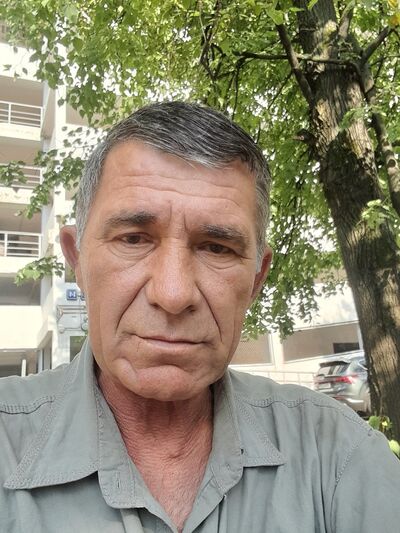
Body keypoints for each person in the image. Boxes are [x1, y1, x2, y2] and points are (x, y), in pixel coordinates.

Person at [0, 102, 399, 533]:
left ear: (256, 279)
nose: (173, 294)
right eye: (133, 239)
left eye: (216, 248)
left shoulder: (338, 458)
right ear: (77, 259)